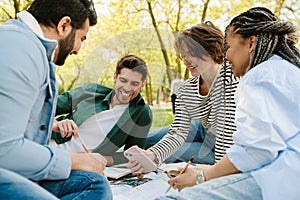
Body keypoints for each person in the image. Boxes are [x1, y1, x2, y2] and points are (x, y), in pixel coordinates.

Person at [156, 7, 300, 200]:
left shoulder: (257, 76)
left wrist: (202, 177)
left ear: (251, 43)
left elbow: (256, 151)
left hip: (280, 179)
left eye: (229, 48)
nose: (226, 56)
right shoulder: (286, 70)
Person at [0, 0, 112, 199]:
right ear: (64, 25)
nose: (78, 49)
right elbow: (4, 150)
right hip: (6, 172)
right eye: (82, 38)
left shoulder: (31, 48)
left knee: (94, 184)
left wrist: (50, 124)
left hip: (15, 172)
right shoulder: (19, 49)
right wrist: (75, 161)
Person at [128, 21, 239, 174]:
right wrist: (152, 155)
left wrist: (214, 175)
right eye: (184, 55)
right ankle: (106, 153)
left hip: (219, 144)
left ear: (211, 50)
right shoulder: (187, 90)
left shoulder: (231, 81)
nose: (186, 60)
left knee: (170, 154)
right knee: (144, 139)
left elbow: (225, 143)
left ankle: (118, 158)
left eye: (191, 54)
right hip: (202, 127)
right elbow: (177, 132)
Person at [50, 54, 152, 166]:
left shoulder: (141, 112)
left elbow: (130, 155)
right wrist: (56, 124)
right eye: (123, 80)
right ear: (115, 77)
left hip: (79, 165)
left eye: (134, 84)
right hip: (48, 146)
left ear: (142, 85)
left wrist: (103, 160)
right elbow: (45, 107)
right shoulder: (91, 91)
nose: (127, 88)